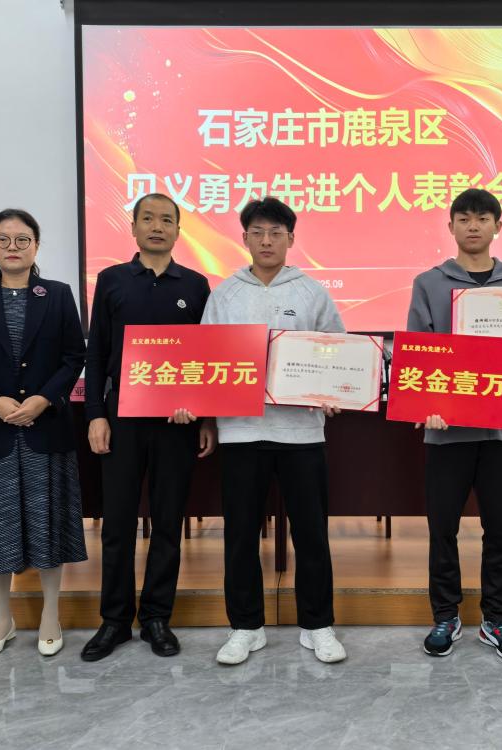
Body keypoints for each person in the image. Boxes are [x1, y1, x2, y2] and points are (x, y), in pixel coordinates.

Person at [202, 196, 347, 666]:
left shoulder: (312, 293)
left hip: (302, 433)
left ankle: (317, 625)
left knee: (312, 534)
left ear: (290, 238)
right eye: (258, 232)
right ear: (244, 238)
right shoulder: (225, 294)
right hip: (241, 433)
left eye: (276, 233)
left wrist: (334, 390)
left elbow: (337, 351)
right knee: (241, 535)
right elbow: (206, 358)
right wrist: (205, 417)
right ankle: (246, 627)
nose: (267, 241)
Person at [0, 208, 87, 658]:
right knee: (0, 527)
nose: (12, 247)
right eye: (3, 239)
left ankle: (50, 614)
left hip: (46, 428)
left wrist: (44, 399)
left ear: (36, 245)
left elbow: (74, 355)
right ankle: (2, 619)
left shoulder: (57, 294)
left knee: (47, 526)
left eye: (22, 239)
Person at [81, 193, 214, 662]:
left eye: (167, 220)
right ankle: (114, 620)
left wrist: (205, 415)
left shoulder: (196, 285)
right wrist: (96, 414)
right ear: (134, 227)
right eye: (149, 218)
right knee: (117, 524)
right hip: (122, 419)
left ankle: (157, 616)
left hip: (177, 423)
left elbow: (208, 357)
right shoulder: (113, 280)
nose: (157, 227)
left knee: (168, 521)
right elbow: (96, 352)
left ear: (178, 230)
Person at [406, 188, 502, 662]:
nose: (473, 226)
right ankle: (445, 614)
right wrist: (427, 402)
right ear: (451, 226)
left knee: (501, 529)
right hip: (447, 431)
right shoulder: (429, 283)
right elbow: (419, 350)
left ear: (498, 226)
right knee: (442, 528)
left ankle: (497, 618)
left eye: (482, 218)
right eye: (464, 218)